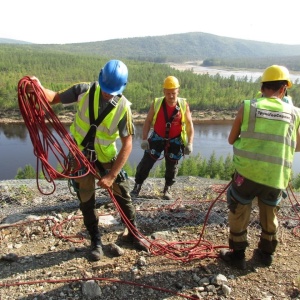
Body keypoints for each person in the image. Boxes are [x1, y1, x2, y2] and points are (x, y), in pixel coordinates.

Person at [28, 60, 148, 261]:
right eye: (106, 89)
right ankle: (95, 240)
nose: (108, 94)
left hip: (106, 157)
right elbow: (54, 97)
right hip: (80, 155)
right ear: (101, 79)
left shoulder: (123, 108)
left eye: (112, 91)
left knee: (122, 194)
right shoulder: (83, 91)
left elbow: (127, 145)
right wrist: (38, 88)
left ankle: (134, 233)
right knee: (86, 199)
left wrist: (111, 175)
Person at [220, 65, 300, 270]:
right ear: (284, 89)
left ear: (263, 87)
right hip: (275, 177)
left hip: (246, 175)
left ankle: (237, 255)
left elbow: (231, 139)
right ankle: (266, 254)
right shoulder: (294, 113)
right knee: (269, 213)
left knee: (239, 211)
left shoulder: (248, 106)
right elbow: (297, 146)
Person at [130, 76, 194, 200]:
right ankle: (137, 186)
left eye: (173, 93)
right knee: (146, 163)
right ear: (163, 91)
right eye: (168, 93)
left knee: (172, 166)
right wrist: (144, 139)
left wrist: (190, 143)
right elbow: (148, 121)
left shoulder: (183, 105)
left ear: (178, 91)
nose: (171, 96)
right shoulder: (157, 103)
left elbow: (190, 125)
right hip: (157, 138)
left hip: (175, 140)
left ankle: (167, 188)